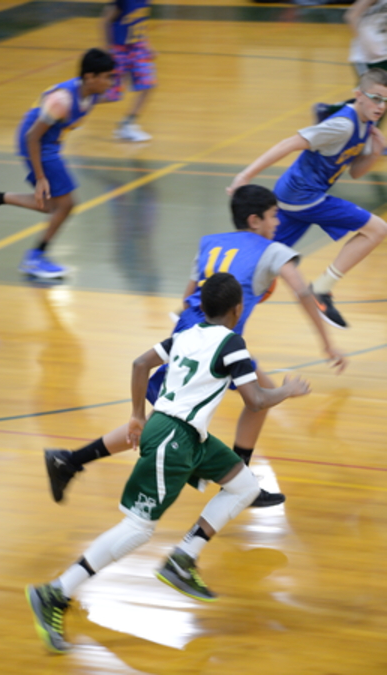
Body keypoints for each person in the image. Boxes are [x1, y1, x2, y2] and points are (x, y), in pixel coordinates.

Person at [26, 273, 311, 652]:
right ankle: (55, 592)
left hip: (188, 435)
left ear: (202, 307)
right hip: (174, 438)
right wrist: (287, 391)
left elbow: (140, 363)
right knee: (137, 529)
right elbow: (256, 400)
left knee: (244, 485)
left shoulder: (186, 334)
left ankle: (183, 558)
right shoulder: (232, 343)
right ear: (238, 309)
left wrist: (136, 414)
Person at [43, 185, 346, 509]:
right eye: (273, 215)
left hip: (195, 328)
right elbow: (303, 292)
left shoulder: (210, 243)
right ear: (254, 220)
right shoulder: (272, 251)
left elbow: (189, 293)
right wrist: (327, 343)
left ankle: (239, 481)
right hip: (213, 340)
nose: (278, 222)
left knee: (253, 400)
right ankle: (70, 460)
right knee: (168, 420)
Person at [227, 69, 387, 330]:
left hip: (295, 197)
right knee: (378, 229)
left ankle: (200, 308)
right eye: (376, 98)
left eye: (385, 101)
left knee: (260, 261)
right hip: (303, 197)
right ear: (359, 95)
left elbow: (356, 172)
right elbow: (288, 143)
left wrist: (375, 152)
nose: (381, 106)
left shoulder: (365, 123)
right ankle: (321, 289)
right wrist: (244, 175)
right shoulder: (342, 125)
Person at [0, 48, 115, 279]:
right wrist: (40, 177)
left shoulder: (92, 93)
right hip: (36, 143)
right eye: (107, 77)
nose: (111, 82)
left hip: (50, 145)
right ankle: (35, 258)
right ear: (90, 77)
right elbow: (32, 137)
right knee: (66, 205)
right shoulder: (62, 101)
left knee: (52, 206)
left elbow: (118, 93)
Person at [315, 0, 387, 123]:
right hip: (367, 57)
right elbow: (351, 16)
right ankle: (329, 110)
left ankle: (329, 110)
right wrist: (365, 42)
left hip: (383, 52)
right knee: (372, 98)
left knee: (380, 98)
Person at [102, 0, 155, 142]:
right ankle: (76, 103)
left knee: (148, 84)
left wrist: (148, 45)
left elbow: (140, 23)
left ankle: (127, 124)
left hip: (137, 47)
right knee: (112, 94)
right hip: (119, 49)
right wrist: (108, 49)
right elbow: (105, 21)